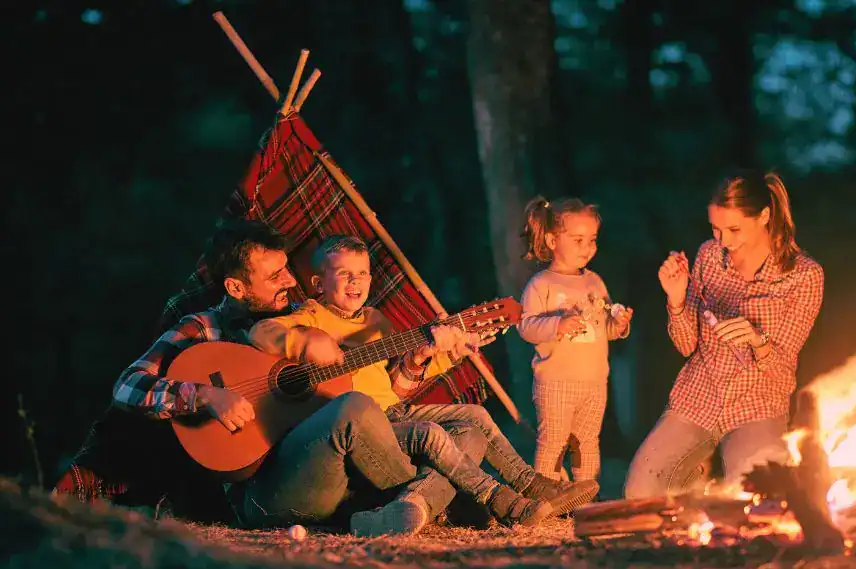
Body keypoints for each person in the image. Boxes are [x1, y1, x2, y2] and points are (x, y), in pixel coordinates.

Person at [109, 219, 559, 533]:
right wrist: (206, 395)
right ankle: (451, 502)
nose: (291, 279)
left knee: (468, 432)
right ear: (236, 288)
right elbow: (127, 387)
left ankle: (409, 508)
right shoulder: (204, 331)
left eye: (287, 267)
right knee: (355, 407)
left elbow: (376, 391)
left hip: (343, 469)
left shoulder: (311, 316)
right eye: (275, 274)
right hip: (271, 489)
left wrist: (421, 360)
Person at [247, 234, 600, 536]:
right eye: (344, 274)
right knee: (432, 433)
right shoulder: (309, 316)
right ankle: (497, 501)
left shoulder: (375, 321)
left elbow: (396, 387)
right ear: (319, 283)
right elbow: (260, 332)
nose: (355, 282)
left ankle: (531, 484)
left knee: (474, 417)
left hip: (393, 411)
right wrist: (302, 342)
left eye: (363, 274)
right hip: (362, 427)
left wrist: (438, 354)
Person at [624, 170, 825, 498]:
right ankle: (695, 486)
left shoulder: (804, 277)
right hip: (699, 397)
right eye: (715, 229)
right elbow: (686, 344)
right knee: (640, 495)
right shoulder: (708, 257)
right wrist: (676, 299)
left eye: (734, 229)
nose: (724, 241)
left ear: (764, 216)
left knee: (755, 500)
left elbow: (781, 369)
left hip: (757, 404)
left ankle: (715, 488)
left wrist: (757, 340)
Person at [516, 196, 633, 483]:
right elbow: (526, 326)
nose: (588, 247)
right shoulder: (541, 284)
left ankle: (585, 495)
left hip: (593, 382)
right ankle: (549, 494)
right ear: (553, 241)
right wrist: (558, 324)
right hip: (555, 381)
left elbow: (602, 328)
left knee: (586, 442)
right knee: (554, 441)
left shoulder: (594, 282)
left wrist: (617, 325)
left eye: (592, 240)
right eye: (578, 240)